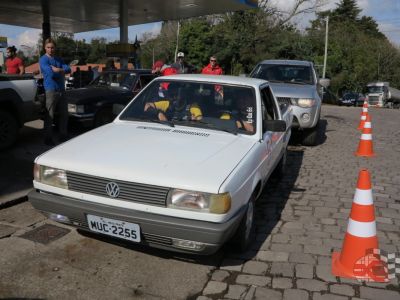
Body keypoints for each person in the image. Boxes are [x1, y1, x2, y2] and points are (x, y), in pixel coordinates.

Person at [39, 38, 71, 145]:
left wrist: (59, 69)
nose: (50, 49)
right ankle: (48, 138)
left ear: (55, 48)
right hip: (51, 90)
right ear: (45, 48)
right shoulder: (43, 59)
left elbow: (69, 69)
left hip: (62, 89)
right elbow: (51, 74)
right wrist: (61, 71)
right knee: (50, 115)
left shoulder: (58, 59)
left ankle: (63, 135)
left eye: (52, 47)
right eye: (48, 47)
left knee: (64, 114)